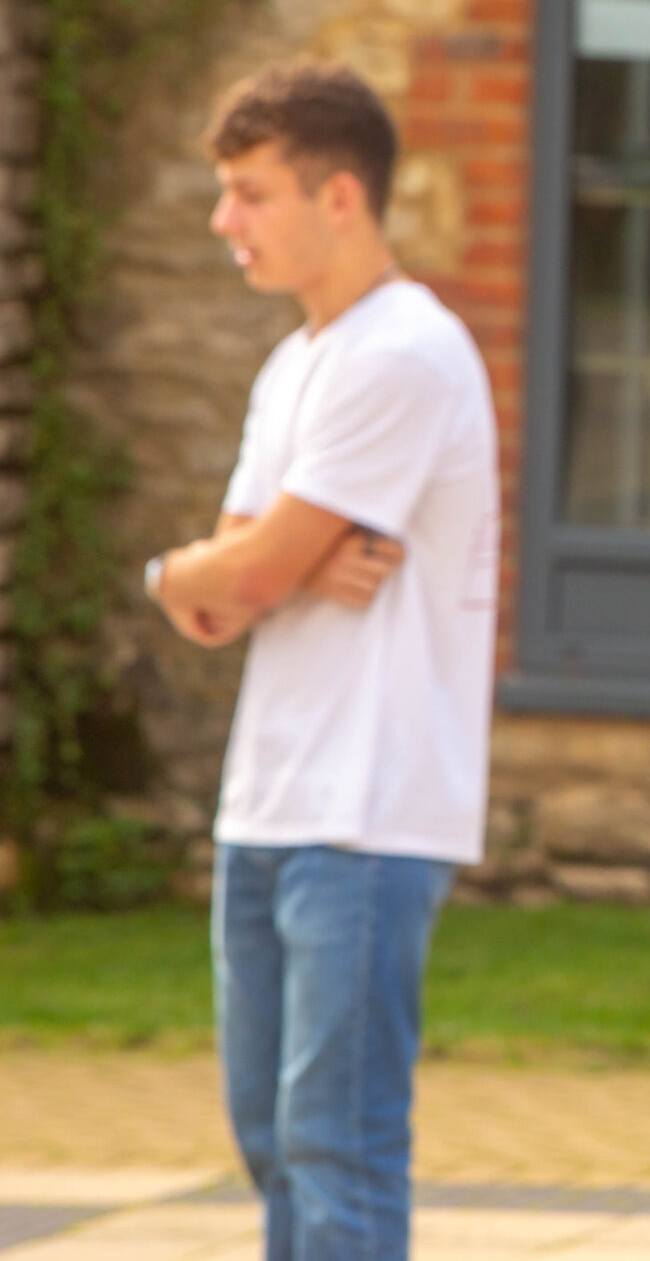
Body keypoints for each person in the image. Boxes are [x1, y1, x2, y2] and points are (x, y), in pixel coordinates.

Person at [146, 63, 500, 1261]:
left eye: (249, 194)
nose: (222, 221)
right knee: (271, 1137)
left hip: (367, 812)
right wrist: (218, 568)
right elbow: (224, 594)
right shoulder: (296, 362)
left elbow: (239, 578)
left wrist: (243, 565)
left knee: (336, 1147)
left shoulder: (400, 351)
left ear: (337, 196)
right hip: (272, 802)